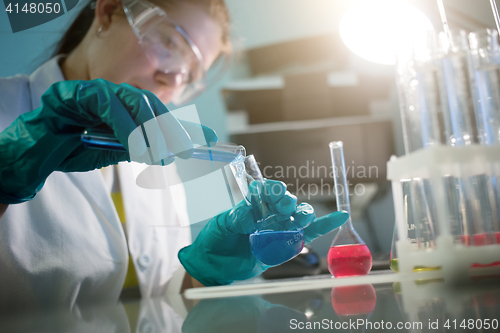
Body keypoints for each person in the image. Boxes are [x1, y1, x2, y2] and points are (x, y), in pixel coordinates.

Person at [0, 0, 349, 313]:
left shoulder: (159, 165)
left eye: (190, 74)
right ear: (107, 11)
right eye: (169, 43)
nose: (172, 78)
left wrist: (203, 273)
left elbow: (154, 301)